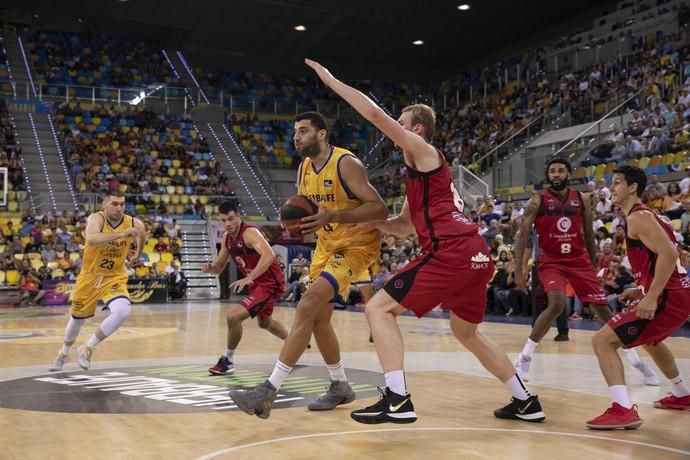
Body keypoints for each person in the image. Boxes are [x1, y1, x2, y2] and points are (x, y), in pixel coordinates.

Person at [300, 59, 545, 425]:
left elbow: (373, 115)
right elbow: (401, 227)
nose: (393, 130)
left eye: (400, 125)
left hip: (452, 251)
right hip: (473, 255)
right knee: (467, 332)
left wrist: (331, 81)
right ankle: (525, 399)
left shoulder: (425, 153)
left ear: (415, 129)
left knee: (378, 309)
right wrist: (348, 219)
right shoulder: (420, 179)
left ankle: (398, 399)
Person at [228, 110, 387, 418]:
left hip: (356, 245)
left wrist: (334, 216)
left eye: (302, 131)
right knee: (318, 319)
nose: (296, 137)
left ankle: (267, 392)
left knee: (307, 305)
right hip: (325, 247)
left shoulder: (346, 163)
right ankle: (340, 385)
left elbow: (379, 208)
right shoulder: (303, 168)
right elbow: (306, 210)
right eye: (295, 132)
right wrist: (292, 224)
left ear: (322, 134)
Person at [512, 159, 658, 385]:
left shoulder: (583, 199)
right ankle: (524, 358)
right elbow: (522, 235)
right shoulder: (537, 201)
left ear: (569, 173)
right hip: (551, 261)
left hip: (579, 260)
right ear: (548, 175)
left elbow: (589, 234)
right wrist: (520, 270)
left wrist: (592, 264)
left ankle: (637, 361)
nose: (557, 174)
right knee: (557, 303)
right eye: (552, 171)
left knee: (603, 310)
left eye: (561, 170)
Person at [587, 165, 690, 430]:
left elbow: (668, 254)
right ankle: (682, 393)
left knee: (602, 341)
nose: (612, 188)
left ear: (633, 187)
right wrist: (642, 288)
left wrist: (652, 296)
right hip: (677, 292)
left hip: (670, 295)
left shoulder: (638, 217)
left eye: (617, 182)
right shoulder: (648, 216)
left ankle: (622, 409)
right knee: (651, 341)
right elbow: (664, 255)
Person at [49, 191, 146, 371]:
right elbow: (92, 239)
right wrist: (120, 235)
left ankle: (88, 347)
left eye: (122, 204)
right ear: (105, 205)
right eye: (115, 204)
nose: (119, 208)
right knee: (76, 320)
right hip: (90, 277)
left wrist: (137, 255)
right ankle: (64, 352)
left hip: (114, 276)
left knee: (122, 311)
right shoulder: (97, 218)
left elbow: (142, 235)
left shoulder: (134, 222)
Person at [202, 200, 290, 375]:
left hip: (270, 283)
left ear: (238, 216)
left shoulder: (250, 233)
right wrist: (210, 268)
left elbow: (269, 255)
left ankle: (227, 360)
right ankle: (294, 342)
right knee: (265, 323)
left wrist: (250, 276)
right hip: (258, 283)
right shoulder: (227, 238)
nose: (227, 224)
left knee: (233, 318)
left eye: (231, 219)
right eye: (223, 220)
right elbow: (219, 266)